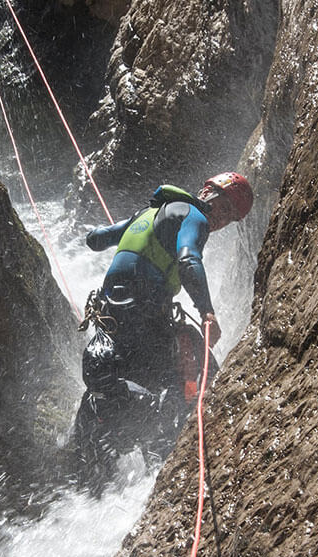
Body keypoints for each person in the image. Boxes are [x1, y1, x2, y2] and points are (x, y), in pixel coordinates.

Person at [74, 171, 254, 466]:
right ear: (207, 192)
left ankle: (110, 453)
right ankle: (183, 454)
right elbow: (188, 259)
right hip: (142, 319)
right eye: (223, 207)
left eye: (230, 217)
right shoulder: (194, 216)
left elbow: (97, 239)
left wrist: (109, 235)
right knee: (181, 383)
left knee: (118, 385)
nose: (221, 219)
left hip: (111, 320)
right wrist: (207, 311)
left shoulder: (149, 213)